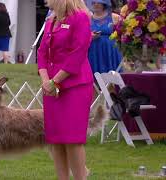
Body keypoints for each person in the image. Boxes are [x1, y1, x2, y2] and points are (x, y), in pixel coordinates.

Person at [37, 0, 93, 179]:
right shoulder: (50, 21)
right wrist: (46, 80)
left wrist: (55, 81)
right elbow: (42, 53)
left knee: (72, 139)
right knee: (56, 139)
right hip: (52, 88)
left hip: (74, 86)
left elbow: (78, 52)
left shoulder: (80, 18)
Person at [88, 0, 122, 73]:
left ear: (104, 4)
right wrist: (90, 36)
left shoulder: (114, 17)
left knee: (113, 76)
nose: (95, 5)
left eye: (98, 3)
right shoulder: (88, 19)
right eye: (94, 3)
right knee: (96, 76)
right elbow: (83, 35)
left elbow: (122, 34)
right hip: (94, 51)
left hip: (110, 51)